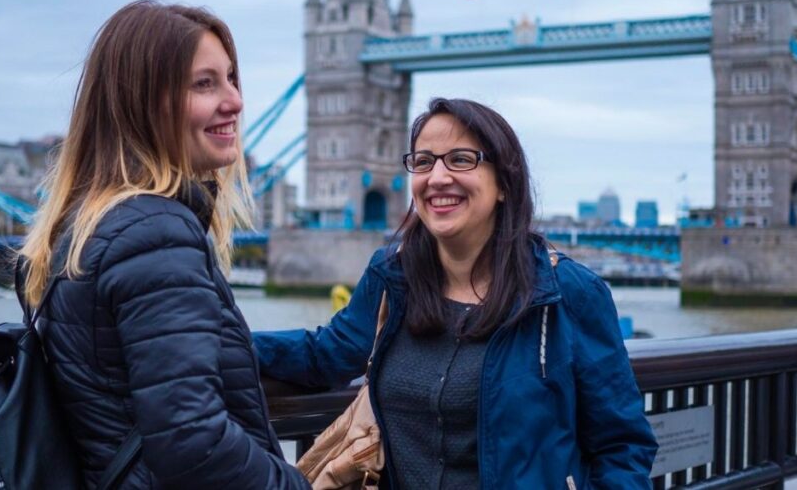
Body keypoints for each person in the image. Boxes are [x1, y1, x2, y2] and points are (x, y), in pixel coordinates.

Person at [253, 98, 658, 489]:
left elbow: (622, 445)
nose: (438, 177)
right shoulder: (392, 276)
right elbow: (327, 353)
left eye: (461, 159)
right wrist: (217, 344)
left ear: (504, 184)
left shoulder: (567, 292)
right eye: (424, 161)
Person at [18, 0, 309, 489]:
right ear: (143, 103)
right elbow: (193, 440)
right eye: (204, 83)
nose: (236, 101)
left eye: (231, 78)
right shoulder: (156, 232)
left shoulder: (93, 224)